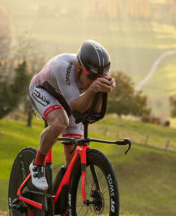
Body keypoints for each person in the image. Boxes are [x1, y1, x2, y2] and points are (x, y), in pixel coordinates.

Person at [28, 40, 116, 193]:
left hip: (69, 97)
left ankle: (67, 208)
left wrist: (102, 92)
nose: (95, 80)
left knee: (72, 159)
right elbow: (76, 106)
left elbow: (94, 110)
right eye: (91, 76)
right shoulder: (64, 67)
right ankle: (37, 164)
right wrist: (92, 90)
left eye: (99, 77)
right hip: (43, 90)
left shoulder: (99, 73)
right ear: (78, 67)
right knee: (60, 122)